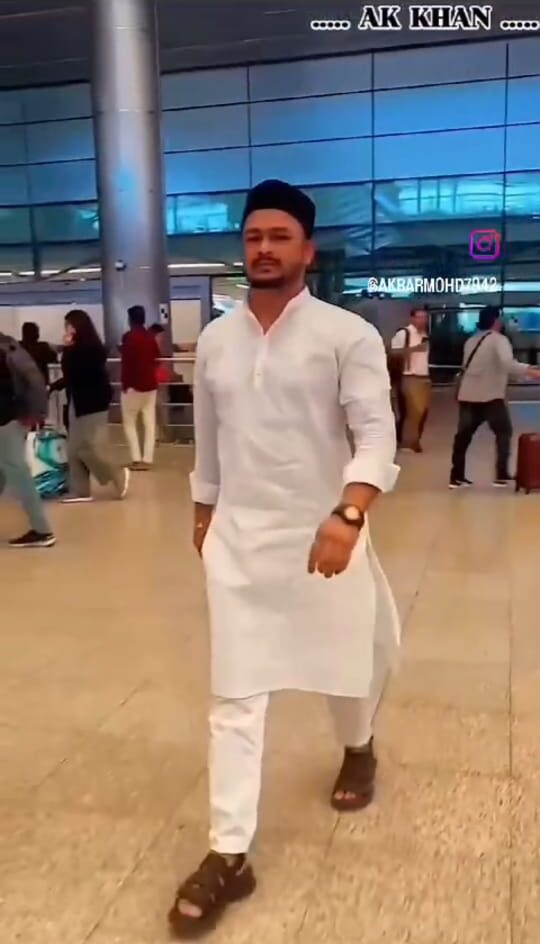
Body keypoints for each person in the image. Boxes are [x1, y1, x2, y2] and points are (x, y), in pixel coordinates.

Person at [168, 179, 401, 937]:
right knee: (234, 697)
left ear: (307, 249)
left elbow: (375, 437)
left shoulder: (346, 334)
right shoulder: (217, 340)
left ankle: (358, 748)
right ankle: (229, 852)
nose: (262, 249)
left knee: (346, 664)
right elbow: (208, 440)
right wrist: (205, 511)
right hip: (240, 541)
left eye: (278, 236)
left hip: (327, 534)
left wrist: (349, 511)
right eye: (252, 237)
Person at [450, 305, 540, 489]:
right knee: (503, 432)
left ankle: (456, 477)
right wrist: (531, 372)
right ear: (496, 321)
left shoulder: (471, 340)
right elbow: (508, 364)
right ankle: (501, 475)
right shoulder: (499, 340)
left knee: (463, 437)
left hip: (468, 395)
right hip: (490, 396)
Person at [53, 310, 129, 503]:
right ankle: (80, 490)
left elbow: (75, 372)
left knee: (91, 448)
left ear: (77, 326)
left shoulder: (90, 349)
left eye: (69, 325)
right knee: (75, 449)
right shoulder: (82, 348)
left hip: (91, 403)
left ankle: (117, 474)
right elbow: (71, 376)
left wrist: (68, 349)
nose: (67, 330)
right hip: (79, 402)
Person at [0, 331, 55, 548]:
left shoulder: (5, 352)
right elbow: (34, 380)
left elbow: (29, 383)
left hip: (6, 421)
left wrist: (34, 415)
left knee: (17, 472)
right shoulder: (10, 347)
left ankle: (42, 530)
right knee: (6, 471)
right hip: (14, 418)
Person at [120, 305, 160, 470]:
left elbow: (127, 364)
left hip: (133, 386)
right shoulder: (149, 337)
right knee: (149, 423)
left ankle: (136, 458)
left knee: (129, 422)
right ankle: (148, 459)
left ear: (130, 319)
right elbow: (156, 357)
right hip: (151, 386)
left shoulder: (129, 337)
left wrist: (125, 385)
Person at [390, 309, 431, 452]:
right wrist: (414, 349)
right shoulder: (404, 333)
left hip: (423, 376)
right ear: (412, 318)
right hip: (409, 375)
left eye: (425, 317)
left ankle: (413, 440)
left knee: (422, 411)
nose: (423, 320)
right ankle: (406, 442)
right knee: (414, 410)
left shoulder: (424, 334)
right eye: (419, 317)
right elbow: (393, 352)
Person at [149, 323, 170, 444]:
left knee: (158, 409)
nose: (161, 339)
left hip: (157, 381)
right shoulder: (153, 347)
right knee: (160, 409)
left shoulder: (153, 346)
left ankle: (159, 436)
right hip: (156, 381)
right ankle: (162, 435)